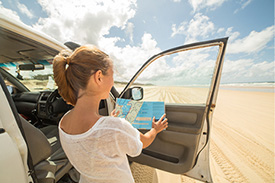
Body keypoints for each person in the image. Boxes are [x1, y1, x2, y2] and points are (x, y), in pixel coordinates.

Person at [53, 45, 168, 183]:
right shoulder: (115, 127)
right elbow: (143, 143)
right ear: (99, 77)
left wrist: (109, 121)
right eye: (112, 75)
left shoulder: (63, 122)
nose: (113, 82)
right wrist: (155, 129)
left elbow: (92, 143)